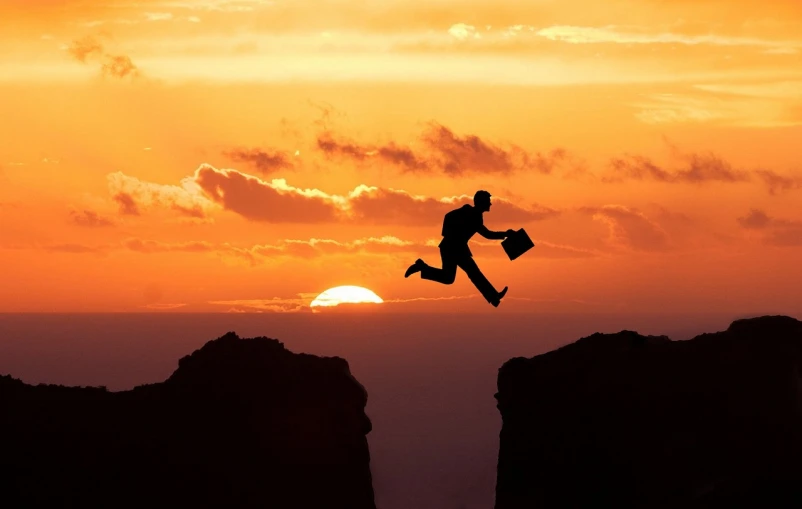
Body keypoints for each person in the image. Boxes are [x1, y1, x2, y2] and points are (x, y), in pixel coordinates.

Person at [405, 190, 514, 307]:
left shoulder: (476, 216)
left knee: (449, 278)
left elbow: (487, 234)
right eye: (488, 201)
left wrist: (505, 234)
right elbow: (449, 217)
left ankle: (422, 267)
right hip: (451, 248)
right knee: (472, 273)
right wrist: (448, 235)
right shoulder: (470, 212)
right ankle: (493, 297)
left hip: (456, 248)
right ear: (481, 202)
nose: (490, 204)